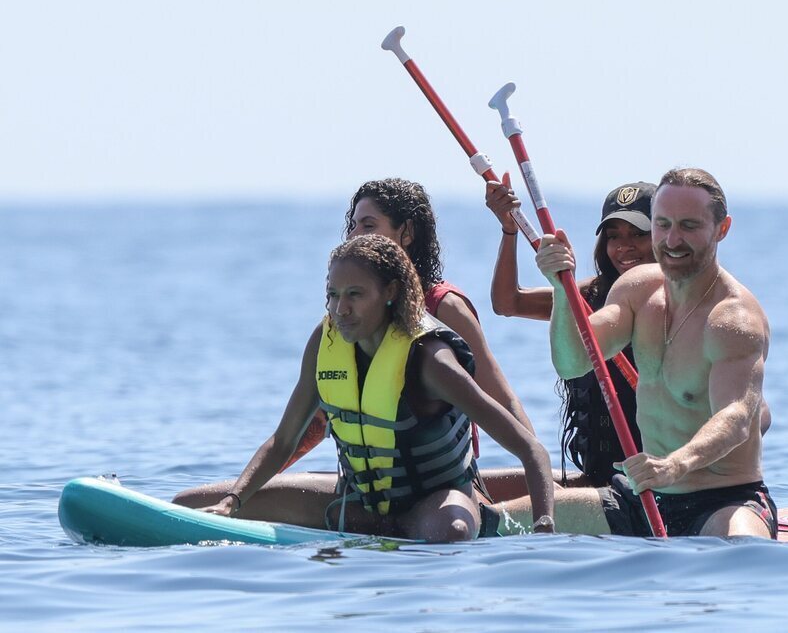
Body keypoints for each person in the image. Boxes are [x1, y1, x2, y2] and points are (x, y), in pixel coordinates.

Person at [176, 178, 540, 510]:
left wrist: (539, 471)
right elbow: (326, 418)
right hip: (370, 483)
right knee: (191, 500)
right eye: (353, 226)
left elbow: (499, 396)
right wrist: (241, 494)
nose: (354, 236)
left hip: (439, 488)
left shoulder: (444, 308)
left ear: (407, 233)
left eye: (368, 226)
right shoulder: (347, 317)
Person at [498, 168, 777, 539]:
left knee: (742, 551)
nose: (672, 240)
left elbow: (738, 416)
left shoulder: (733, 318)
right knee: (490, 526)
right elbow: (573, 361)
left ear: (721, 229)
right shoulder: (637, 289)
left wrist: (674, 465)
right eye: (662, 225)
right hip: (639, 498)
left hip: (722, 501)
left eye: (688, 226)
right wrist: (561, 289)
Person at [482, 174, 658, 495]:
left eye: (638, 234)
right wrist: (509, 229)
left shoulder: (676, 303)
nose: (624, 246)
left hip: (646, 488)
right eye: (613, 235)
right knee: (473, 487)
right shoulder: (585, 297)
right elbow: (507, 302)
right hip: (597, 481)